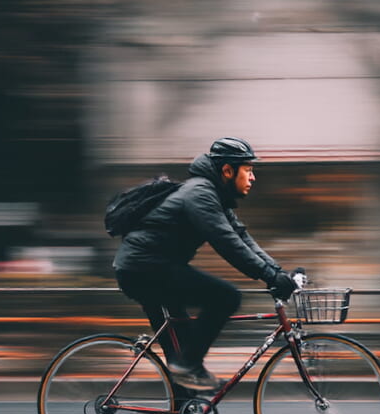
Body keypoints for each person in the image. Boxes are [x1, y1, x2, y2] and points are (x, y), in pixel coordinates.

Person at [113, 137, 297, 393]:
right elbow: (227, 242)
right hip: (145, 269)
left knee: (183, 349)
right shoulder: (200, 193)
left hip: (153, 269)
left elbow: (243, 238)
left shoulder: (214, 196)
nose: (253, 178)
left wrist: (278, 273)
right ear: (227, 171)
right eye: (248, 170)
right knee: (226, 297)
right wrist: (269, 276)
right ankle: (188, 368)